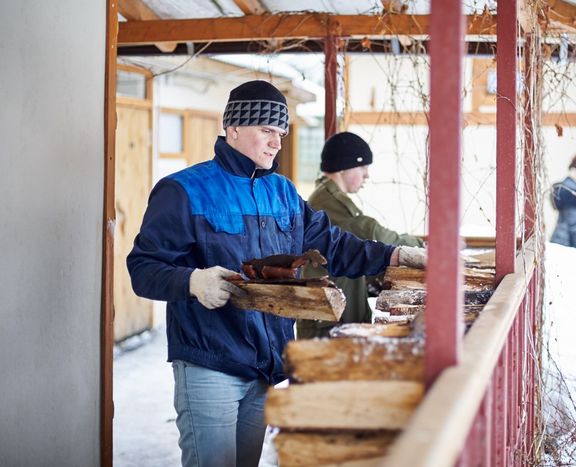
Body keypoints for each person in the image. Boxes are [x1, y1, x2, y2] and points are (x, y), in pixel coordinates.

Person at [126, 81, 426, 467]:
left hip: (265, 366)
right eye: (266, 131)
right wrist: (192, 282)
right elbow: (143, 268)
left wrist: (396, 254)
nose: (276, 143)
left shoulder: (283, 193)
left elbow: (335, 246)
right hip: (210, 362)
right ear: (233, 129)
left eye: (280, 133)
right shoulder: (184, 191)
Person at [296, 132, 424, 339]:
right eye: (363, 167)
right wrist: (419, 246)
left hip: (331, 314)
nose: (367, 175)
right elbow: (370, 232)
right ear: (344, 167)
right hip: (328, 320)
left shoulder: (328, 197)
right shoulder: (329, 203)